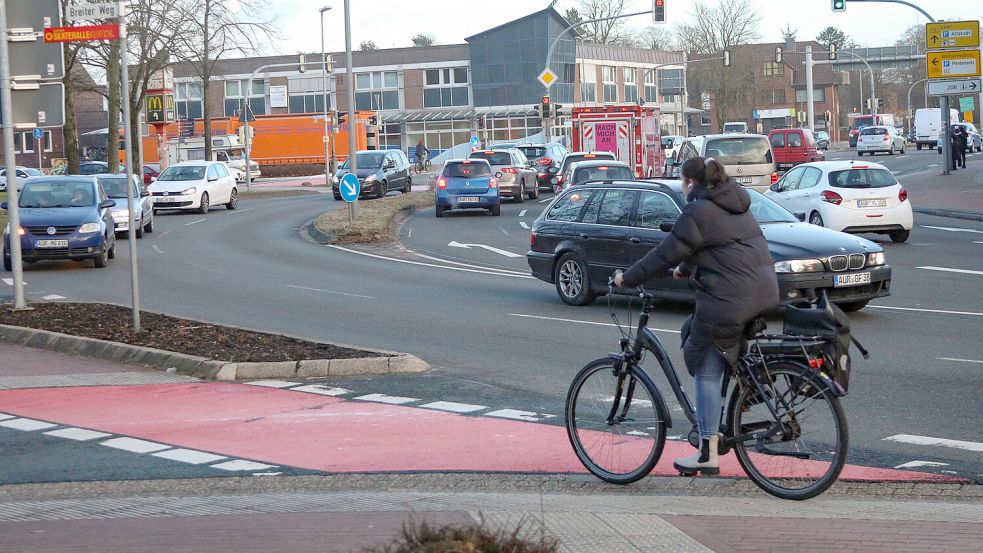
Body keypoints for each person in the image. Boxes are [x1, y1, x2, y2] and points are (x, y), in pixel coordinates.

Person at [614, 157, 779, 475]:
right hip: (763, 290)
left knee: (705, 367)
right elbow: (718, 243)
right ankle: (734, 407)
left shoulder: (697, 210)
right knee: (701, 333)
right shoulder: (735, 202)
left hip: (730, 298)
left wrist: (627, 278)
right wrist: (686, 269)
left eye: (681, 180)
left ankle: (707, 451)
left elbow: (664, 252)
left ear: (690, 182)